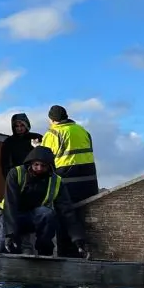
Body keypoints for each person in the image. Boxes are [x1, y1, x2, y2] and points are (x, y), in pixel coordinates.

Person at [0, 146, 89, 258]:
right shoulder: (15, 173)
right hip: (9, 216)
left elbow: (67, 212)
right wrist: (10, 233)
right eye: (36, 165)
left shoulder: (56, 182)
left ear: (49, 166)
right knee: (1, 247)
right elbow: (10, 205)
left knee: (47, 214)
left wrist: (78, 239)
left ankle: (45, 253)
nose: (39, 168)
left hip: (33, 217)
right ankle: (11, 241)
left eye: (43, 166)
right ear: (30, 163)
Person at [41, 105, 98, 257]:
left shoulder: (53, 133)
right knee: (84, 217)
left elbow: (45, 158)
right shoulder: (82, 131)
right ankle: (87, 251)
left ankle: (67, 255)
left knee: (65, 217)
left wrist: (36, 147)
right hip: (89, 182)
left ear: (52, 119)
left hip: (67, 182)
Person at [0, 113, 42, 178]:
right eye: (17, 126)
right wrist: (9, 178)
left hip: (37, 176)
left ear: (26, 125)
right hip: (17, 177)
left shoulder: (37, 138)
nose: (19, 128)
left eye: (22, 125)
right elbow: (5, 164)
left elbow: (44, 157)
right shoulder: (8, 142)